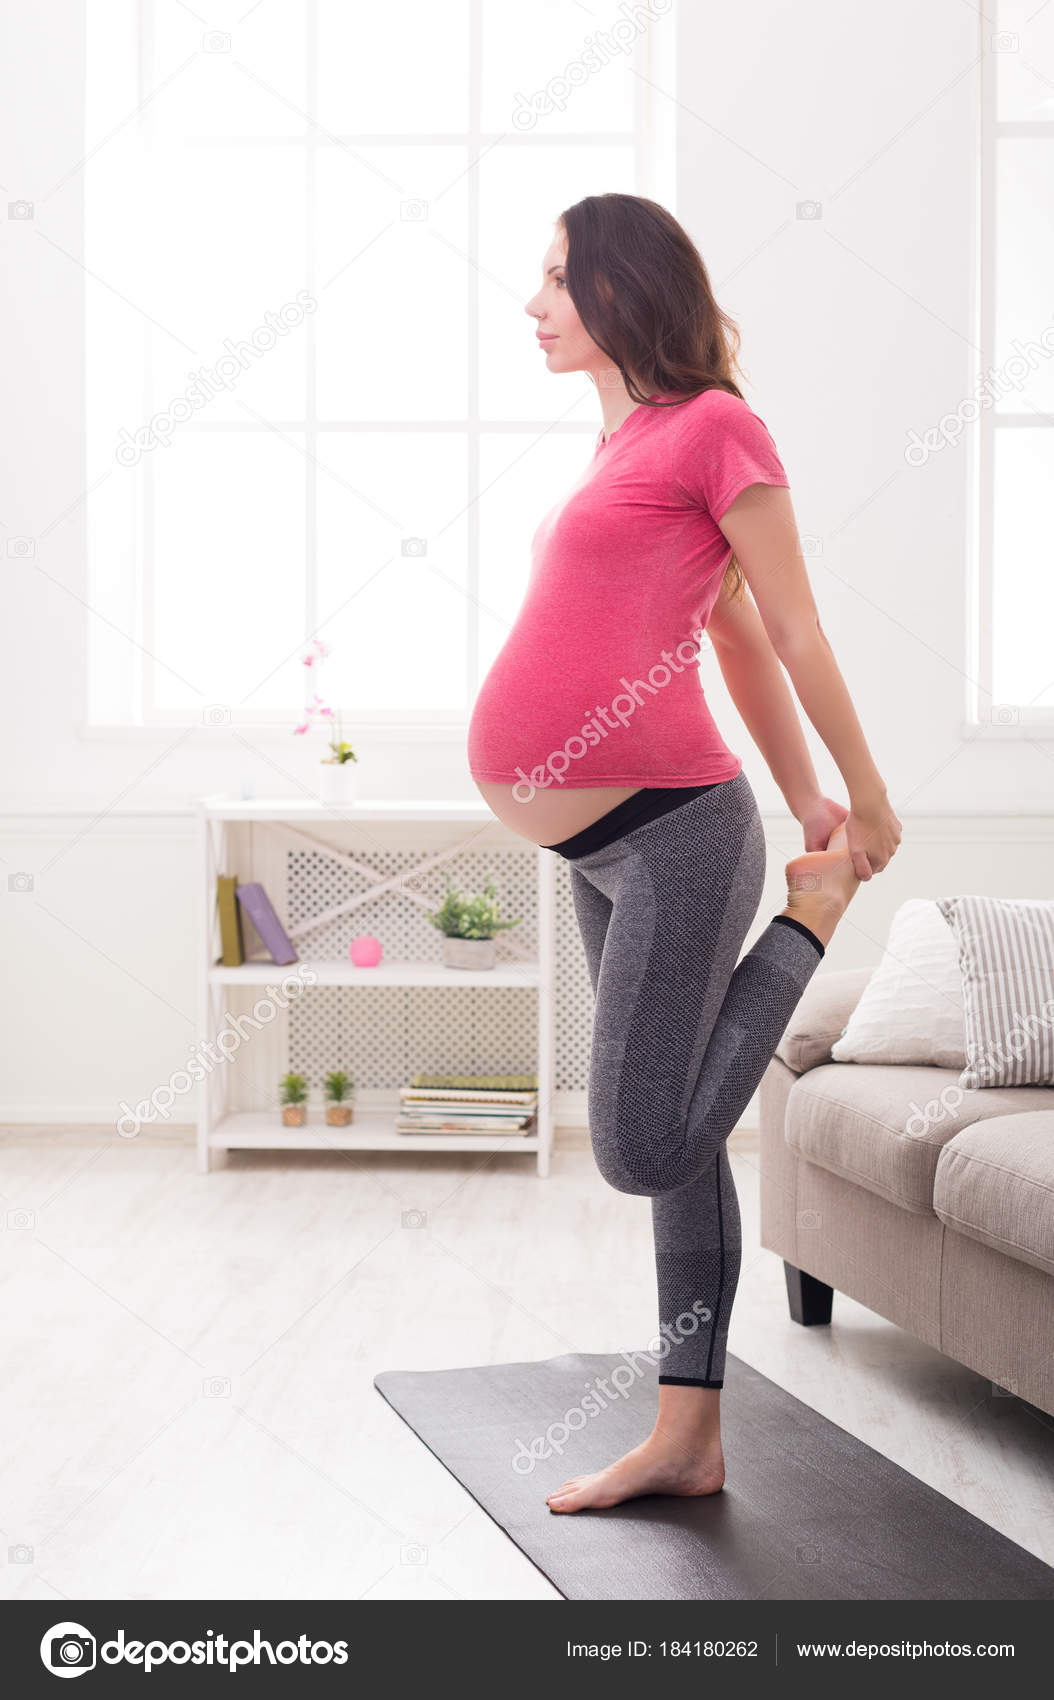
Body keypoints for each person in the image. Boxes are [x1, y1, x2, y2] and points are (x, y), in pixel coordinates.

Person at [466, 193, 901, 1513]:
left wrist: (853, 806)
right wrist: (803, 791)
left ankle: (811, 923)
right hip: (602, 844)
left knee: (641, 1144)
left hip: (673, 832)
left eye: (555, 279)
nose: (533, 305)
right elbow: (725, 640)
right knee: (683, 1137)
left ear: (622, 287)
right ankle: (686, 1439)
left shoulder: (717, 429)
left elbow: (792, 627)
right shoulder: (624, 445)